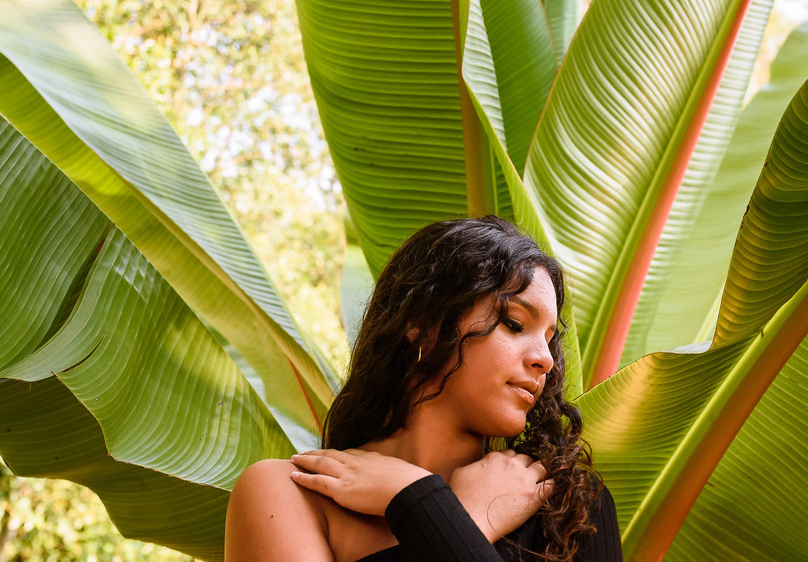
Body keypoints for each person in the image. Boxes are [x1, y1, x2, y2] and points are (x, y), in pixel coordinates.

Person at [225, 216, 622, 561]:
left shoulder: (568, 503)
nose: (546, 360)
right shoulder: (290, 493)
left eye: (550, 341)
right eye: (514, 324)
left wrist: (419, 501)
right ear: (424, 325)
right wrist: (458, 515)